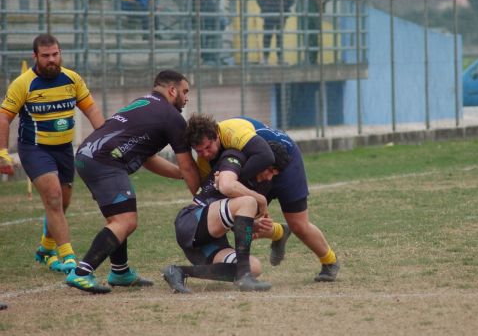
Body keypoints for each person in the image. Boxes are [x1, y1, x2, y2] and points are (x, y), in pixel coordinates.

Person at [65, 70, 201, 293]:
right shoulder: (172, 117)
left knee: (118, 217)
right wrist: (201, 199)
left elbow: (148, 159)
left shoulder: (144, 103)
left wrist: (180, 175)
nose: (187, 98)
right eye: (185, 92)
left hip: (88, 156)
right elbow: (188, 165)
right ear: (172, 90)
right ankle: (81, 272)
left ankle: (120, 271)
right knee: (126, 221)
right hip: (105, 161)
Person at [0, 34, 104, 273]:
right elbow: (4, 117)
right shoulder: (23, 84)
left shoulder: (72, 79)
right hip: (35, 149)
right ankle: (68, 257)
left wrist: (107, 139)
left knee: (62, 203)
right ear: (35, 56)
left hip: (64, 149)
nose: (51, 60)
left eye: (55, 54)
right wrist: (3, 152)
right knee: (54, 197)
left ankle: (45, 249)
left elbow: (92, 109)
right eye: (46, 56)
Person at [192, 115, 340, 281]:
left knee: (298, 224)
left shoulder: (232, 131)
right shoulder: (205, 159)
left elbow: (266, 156)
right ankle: (279, 232)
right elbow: (209, 196)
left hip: (286, 162)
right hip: (257, 170)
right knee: (237, 220)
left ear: (216, 136)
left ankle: (330, 261)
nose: (205, 153)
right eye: (199, 151)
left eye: (208, 147)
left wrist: (234, 183)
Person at [162, 141, 291, 293]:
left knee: (254, 267)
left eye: (274, 174)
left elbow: (237, 225)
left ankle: (178, 271)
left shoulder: (262, 184)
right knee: (249, 201)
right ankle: (244, 277)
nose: (269, 177)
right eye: (269, 170)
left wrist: (252, 225)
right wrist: (259, 199)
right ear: (262, 159)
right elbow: (227, 186)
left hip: (209, 243)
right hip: (191, 223)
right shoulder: (235, 158)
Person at [256, 0, 294, 64]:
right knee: (267, 36)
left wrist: (284, 8)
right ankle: (265, 58)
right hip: (269, 14)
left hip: (281, 15)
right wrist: (264, 8)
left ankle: (280, 58)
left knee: (279, 36)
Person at [300, 0, 337, 65]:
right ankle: (308, 59)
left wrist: (324, 0)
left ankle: (314, 59)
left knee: (314, 37)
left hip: (316, 15)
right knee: (306, 37)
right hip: (306, 16)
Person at [206, 0, 228, 65]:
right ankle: (212, 58)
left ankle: (217, 57)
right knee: (213, 37)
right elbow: (212, 2)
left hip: (219, 15)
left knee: (218, 37)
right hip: (213, 16)